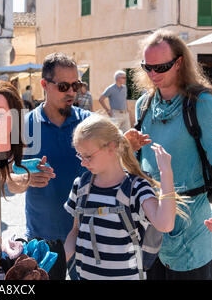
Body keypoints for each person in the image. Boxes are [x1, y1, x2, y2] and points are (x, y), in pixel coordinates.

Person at [126, 29, 212, 280]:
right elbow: (138, 164)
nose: (153, 74)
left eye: (160, 67)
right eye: (147, 67)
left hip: (193, 227)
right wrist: (126, 147)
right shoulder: (144, 104)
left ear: (179, 63)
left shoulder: (202, 104)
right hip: (152, 222)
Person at [64, 114, 187, 280]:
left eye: (88, 156)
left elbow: (165, 224)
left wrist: (166, 174)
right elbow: (76, 231)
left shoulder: (135, 188)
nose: (83, 163)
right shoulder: (81, 185)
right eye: (80, 155)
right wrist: (58, 264)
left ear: (111, 147)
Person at [5, 52, 91, 280]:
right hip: (43, 240)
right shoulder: (23, 126)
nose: (72, 92)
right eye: (63, 86)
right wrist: (26, 180)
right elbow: (9, 184)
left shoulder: (89, 123)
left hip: (88, 236)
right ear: (44, 84)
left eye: (76, 85)